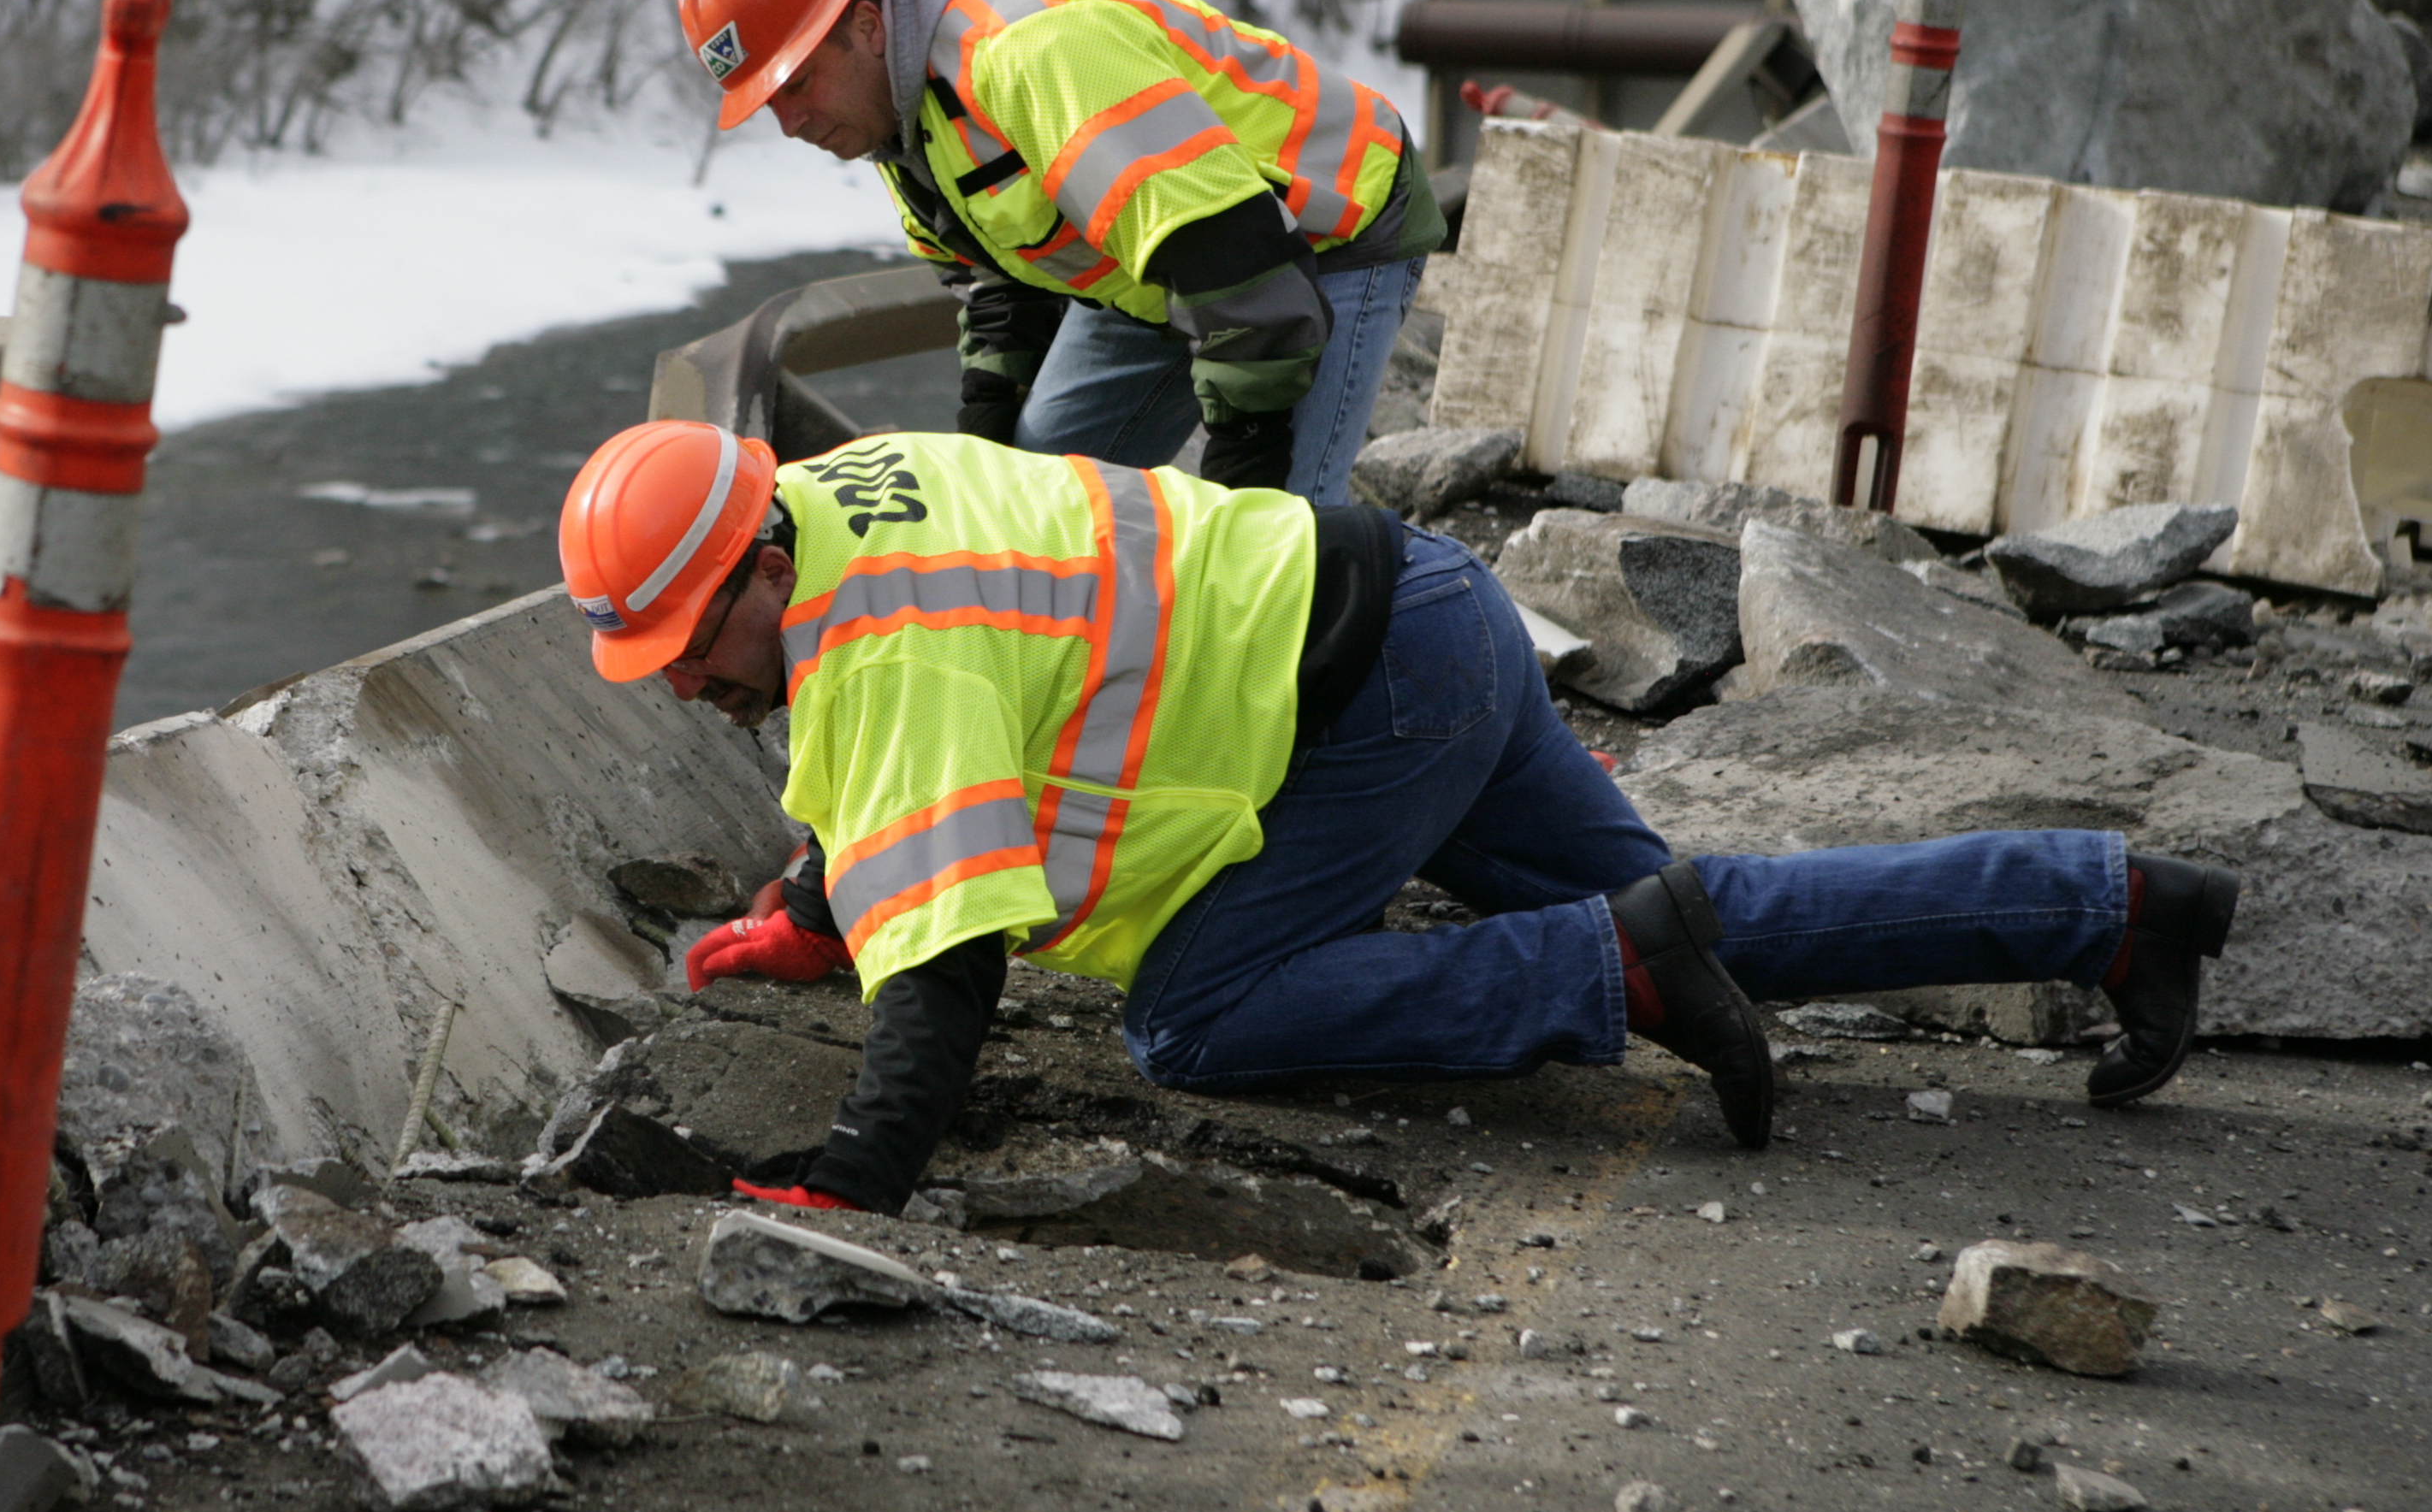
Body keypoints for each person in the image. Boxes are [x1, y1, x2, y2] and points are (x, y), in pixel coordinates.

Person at [558, 419, 2240, 1215]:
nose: (691, 687)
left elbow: (956, 961)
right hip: (1423, 617)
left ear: (762, 563)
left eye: (694, 646)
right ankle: (2117, 906)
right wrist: (823, 902)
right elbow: (914, 791)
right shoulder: (848, 502)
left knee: (1193, 1014)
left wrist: (857, 1187)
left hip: (1368, 704)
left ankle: (1610, 979)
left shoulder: (884, 642)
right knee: (1695, 915)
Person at [676, 0, 1439, 507]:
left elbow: (1243, 272)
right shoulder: (895, 119)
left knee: (1285, 558)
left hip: (1324, 225)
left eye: (797, 85)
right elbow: (996, 280)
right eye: (768, 103)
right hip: (1156, 268)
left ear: (868, 27)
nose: (791, 124)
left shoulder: (1029, 56)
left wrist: (1245, 478)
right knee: (1029, 509)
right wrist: (988, 444)